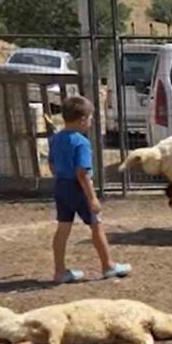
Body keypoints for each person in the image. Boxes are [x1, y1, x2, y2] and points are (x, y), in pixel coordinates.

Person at [49, 95, 130, 284]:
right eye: (91, 118)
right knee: (96, 225)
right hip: (79, 189)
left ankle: (59, 271)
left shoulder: (56, 139)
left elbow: (52, 165)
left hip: (61, 186)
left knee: (63, 228)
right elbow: (82, 173)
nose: (91, 122)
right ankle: (108, 266)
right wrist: (92, 198)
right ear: (82, 119)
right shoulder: (81, 142)